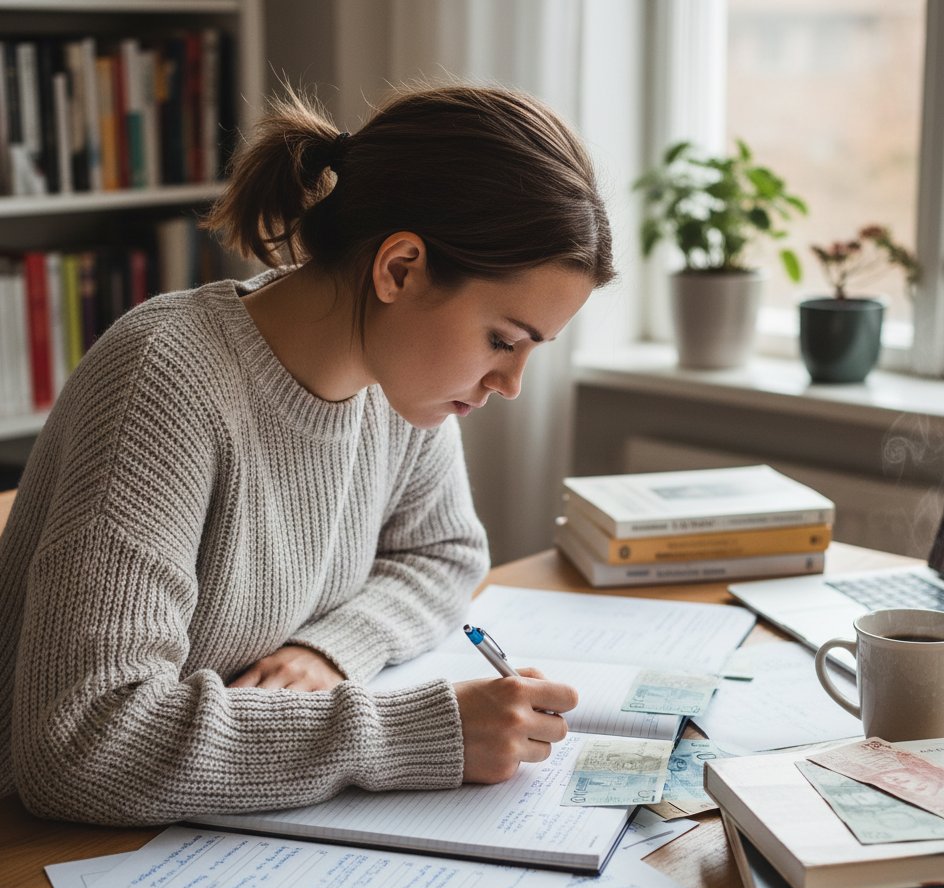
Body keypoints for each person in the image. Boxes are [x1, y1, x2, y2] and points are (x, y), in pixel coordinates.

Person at [0, 82, 615, 825]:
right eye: (502, 340)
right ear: (399, 268)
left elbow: (444, 555)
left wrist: (331, 651)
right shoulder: (163, 380)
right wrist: (416, 733)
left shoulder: (400, 390)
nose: (511, 384)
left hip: (203, 827)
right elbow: (83, 745)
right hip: (40, 850)